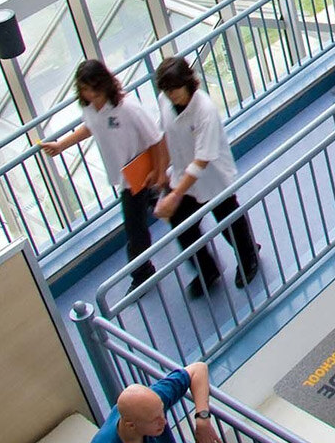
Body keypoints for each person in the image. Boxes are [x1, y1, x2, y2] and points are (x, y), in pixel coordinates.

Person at [42, 60, 167, 290]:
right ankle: (158, 200)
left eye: (94, 89)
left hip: (137, 173)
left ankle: (142, 274)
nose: (90, 95)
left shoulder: (128, 108)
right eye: (85, 90)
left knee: (134, 228)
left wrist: (157, 172)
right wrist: (61, 145)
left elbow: (156, 138)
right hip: (126, 176)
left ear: (105, 84)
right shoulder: (90, 109)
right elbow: (91, 126)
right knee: (146, 210)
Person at [154, 56, 260, 298]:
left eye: (176, 90)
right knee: (183, 228)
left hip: (212, 177)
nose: (172, 96)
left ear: (189, 83)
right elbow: (162, 135)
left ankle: (249, 256)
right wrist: (161, 172)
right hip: (181, 175)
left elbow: (202, 160)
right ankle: (207, 269)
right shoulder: (164, 100)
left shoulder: (205, 111)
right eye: (168, 91)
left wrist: (174, 196)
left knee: (229, 221)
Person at [91, 362, 219, 443]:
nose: (164, 421)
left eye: (162, 413)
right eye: (156, 419)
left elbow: (198, 369)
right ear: (131, 426)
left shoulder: (151, 403)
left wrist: (202, 420)